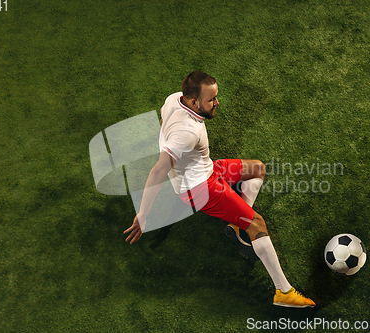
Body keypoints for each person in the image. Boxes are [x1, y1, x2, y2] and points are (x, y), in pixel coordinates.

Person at [124, 71, 316, 308]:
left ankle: (235, 224)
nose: (217, 103)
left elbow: (165, 125)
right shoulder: (187, 132)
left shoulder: (174, 99)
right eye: (211, 100)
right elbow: (157, 171)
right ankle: (283, 292)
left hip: (208, 170)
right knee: (257, 224)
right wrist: (143, 216)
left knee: (257, 169)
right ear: (194, 102)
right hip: (200, 189)